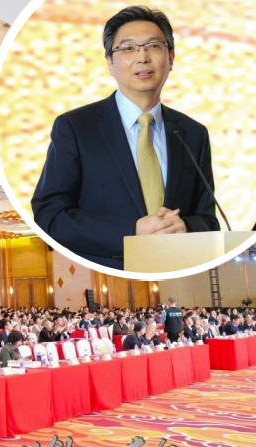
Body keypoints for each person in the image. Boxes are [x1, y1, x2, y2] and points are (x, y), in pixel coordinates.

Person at [31, 6, 219, 270]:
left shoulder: (193, 133)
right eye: (128, 48)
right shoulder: (76, 127)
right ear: (110, 62)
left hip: (179, 269)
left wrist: (186, 227)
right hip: (109, 271)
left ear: (171, 58)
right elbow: (50, 215)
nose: (142, 57)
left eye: (153, 46)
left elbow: (209, 220)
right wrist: (131, 230)